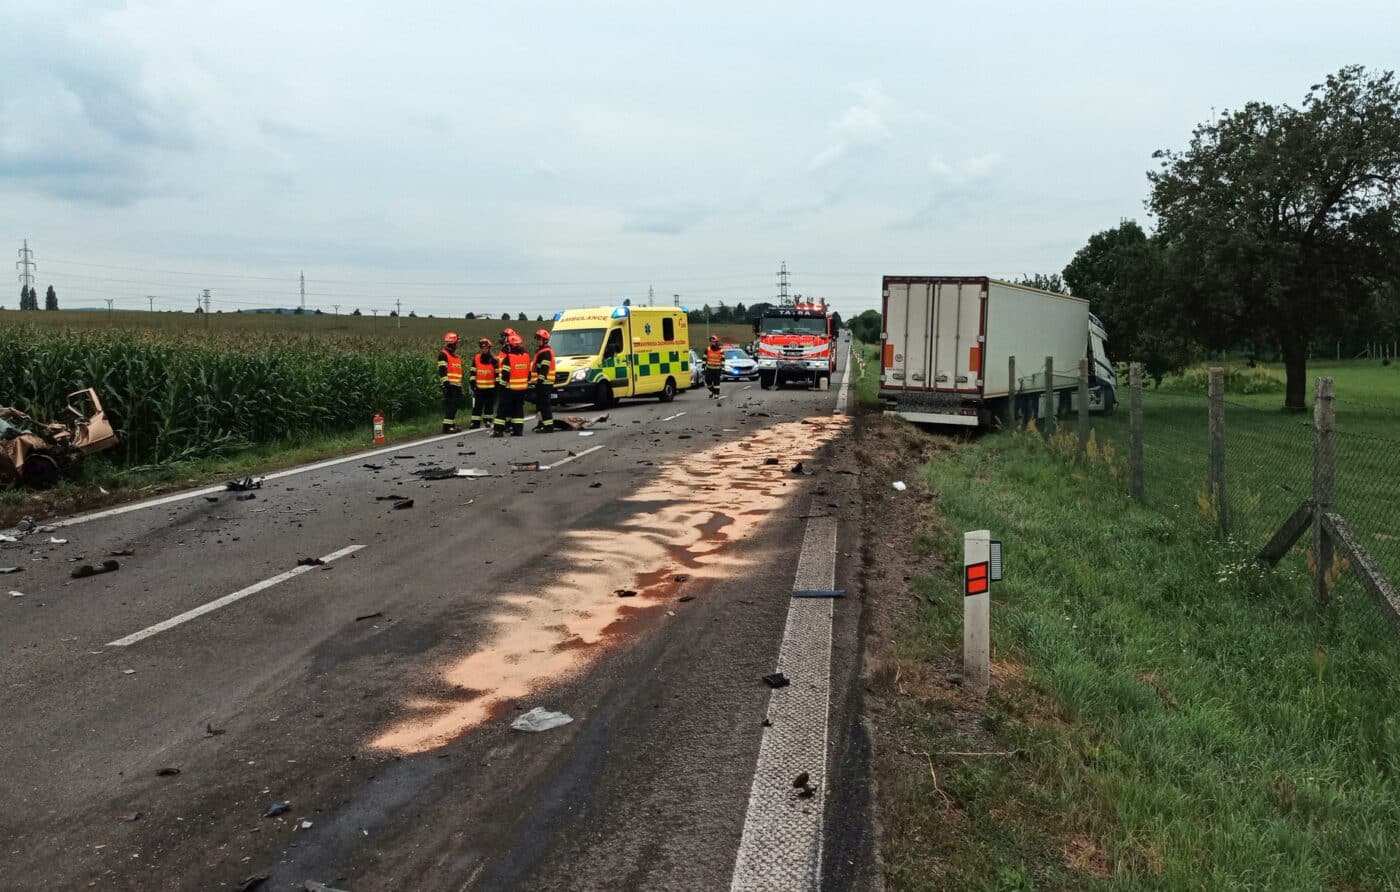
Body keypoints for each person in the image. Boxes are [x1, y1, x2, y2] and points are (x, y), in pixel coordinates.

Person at [492, 332, 532, 437]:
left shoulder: (509, 358)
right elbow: (529, 374)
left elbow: (505, 375)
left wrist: (501, 386)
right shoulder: (526, 356)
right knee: (518, 409)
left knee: (502, 409)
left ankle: (498, 431)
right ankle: (518, 431)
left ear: (511, 346)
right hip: (522, 388)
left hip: (509, 388)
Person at [530, 328, 556, 433]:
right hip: (542, 382)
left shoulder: (545, 352)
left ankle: (548, 427)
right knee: (540, 405)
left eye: (539, 339)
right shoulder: (541, 351)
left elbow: (544, 369)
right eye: (537, 338)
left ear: (545, 340)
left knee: (545, 405)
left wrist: (539, 382)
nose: (537, 340)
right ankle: (541, 424)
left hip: (545, 383)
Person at [469, 337, 498, 430]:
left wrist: (497, 385)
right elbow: (473, 371)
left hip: (491, 387)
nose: (484, 349)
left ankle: (488, 421)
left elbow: (497, 373)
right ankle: (475, 422)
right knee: (477, 406)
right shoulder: (476, 358)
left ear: (489, 348)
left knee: (489, 406)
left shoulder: (494, 359)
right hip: (479, 387)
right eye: (483, 348)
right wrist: (472, 383)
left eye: (486, 348)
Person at [437, 332, 463, 433]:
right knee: (451, 406)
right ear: (453, 343)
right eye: (456, 343)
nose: (457, 345)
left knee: (454, 406)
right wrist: (446, 383)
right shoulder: (443, 355)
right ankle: (447, 427)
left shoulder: (454, 356)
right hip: (449, 385)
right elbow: (442, 370)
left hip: (456, 385)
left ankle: (452, 425)